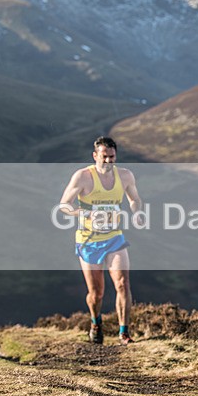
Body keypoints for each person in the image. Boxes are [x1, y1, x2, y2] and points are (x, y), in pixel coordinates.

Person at [59, 136, 142, 345]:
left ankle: (124, 332)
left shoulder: (124, 176)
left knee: (123, 284)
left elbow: (134, 199)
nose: (108, 161)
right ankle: (96, 322)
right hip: (89, 240)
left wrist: (137, 212)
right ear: (95, 156)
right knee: (97, 294)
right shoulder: (83, 177)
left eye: (112, 157)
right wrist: (83, 214)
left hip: (114, 238)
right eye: (104, 157)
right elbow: (64, 205)